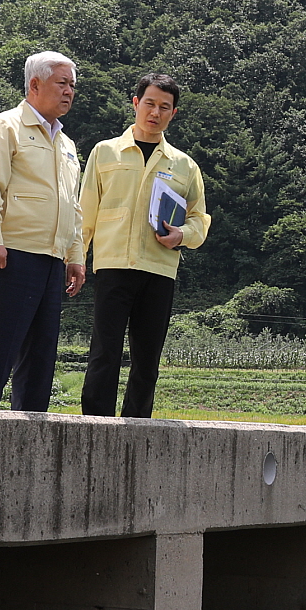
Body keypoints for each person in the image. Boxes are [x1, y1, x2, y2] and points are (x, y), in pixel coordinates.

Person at [79, 72, 211, 418]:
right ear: (136, 104)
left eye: (164, 107)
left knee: (147, 357)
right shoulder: (105, 152)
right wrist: (75, 258)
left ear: (173, 113)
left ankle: (138, 426)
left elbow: (200, 219)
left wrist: (180, 235)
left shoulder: (185, 165)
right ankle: (94, 423)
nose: (155, 112)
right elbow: (85, 212)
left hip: (158, 269)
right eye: (149, 103)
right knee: (104, 352)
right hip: (112, 265)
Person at [0, 50, 86, 411]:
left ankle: (30, 432)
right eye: (61, 83)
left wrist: (75, 256)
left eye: (72, 86)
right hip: (11, 253)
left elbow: (72, 205)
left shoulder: (67, 144)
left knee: (41, 355)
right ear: (34, 84)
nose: (69, 92)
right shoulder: (4, 128)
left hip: (51, 259)